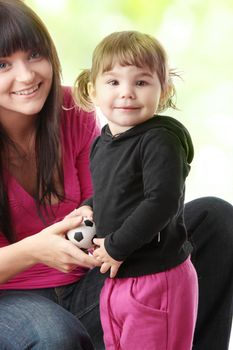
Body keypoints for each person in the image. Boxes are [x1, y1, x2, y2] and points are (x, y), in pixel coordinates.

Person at [0, 2, 232, 350]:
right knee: (54, 334)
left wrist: (96, 223)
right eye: (3, 64)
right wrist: (35, 251)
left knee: (215, 219)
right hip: (13, 300)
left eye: (34, 54)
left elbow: (113, 202)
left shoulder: (70, 110)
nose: (27, 76)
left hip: (91, 279)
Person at [73, 30, 198, 349]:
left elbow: (162, 201)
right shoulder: (103, 141)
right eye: (113, 82)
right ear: (93, 89)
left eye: (141, 82)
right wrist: (90, 206)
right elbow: (115, 190)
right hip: (117, 276)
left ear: (164, 89)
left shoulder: (161, 139)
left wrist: (116, 246)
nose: (126, 93)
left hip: (155, 278)